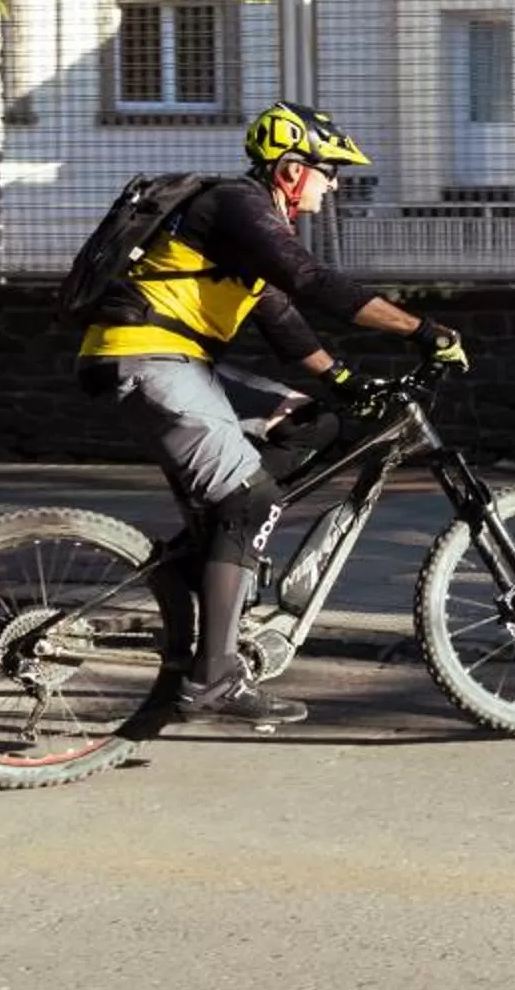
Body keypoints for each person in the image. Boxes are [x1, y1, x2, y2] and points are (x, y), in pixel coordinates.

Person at [75, 100, 466, 729]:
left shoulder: (247, 229)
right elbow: (310, 281)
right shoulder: (237, 205)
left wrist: (345, 382)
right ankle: (214, 678)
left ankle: (209, 557)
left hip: (178, 362)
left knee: (316, 423)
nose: (334, 183)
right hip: (148, 359)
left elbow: (281, 318)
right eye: (328, 170)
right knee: (248, 501)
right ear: (290, 170)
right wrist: (423, 331)